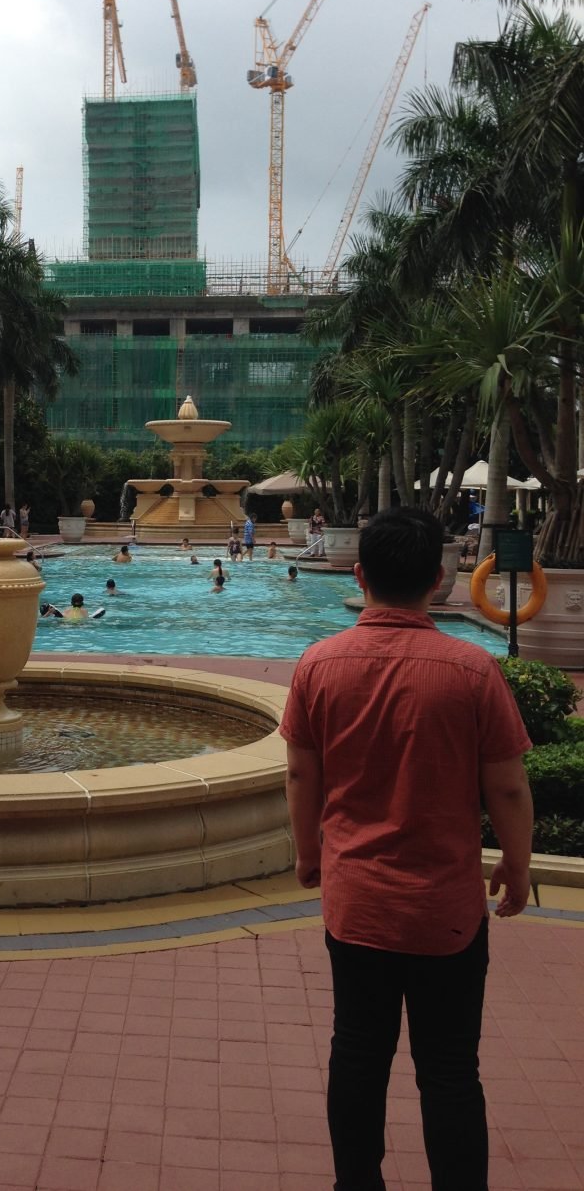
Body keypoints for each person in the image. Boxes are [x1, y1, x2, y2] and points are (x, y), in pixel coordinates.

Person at [279, 507, 533, 1191]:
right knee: (450, 1068)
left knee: (357, 1053)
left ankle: (355, 1183)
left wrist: (308, 853)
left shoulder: (318, 665)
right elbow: (507, 788)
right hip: (447, 907)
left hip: (357, 900)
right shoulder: (474, 670)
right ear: (441, 579)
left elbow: (302, 772)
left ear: (360, 576)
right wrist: (517, 862)